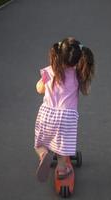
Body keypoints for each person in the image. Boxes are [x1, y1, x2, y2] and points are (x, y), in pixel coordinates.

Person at [34, 37, 95, 182]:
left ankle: (43, 155)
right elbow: (86, 91)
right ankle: (62, 169)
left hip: (46, 114)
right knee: (62, 148)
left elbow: (39, 89)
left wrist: (44, 84)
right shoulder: (78, 75)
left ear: (58, 53)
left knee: (40, 144)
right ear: (79, 58)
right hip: (67, 117)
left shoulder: (49, 71)